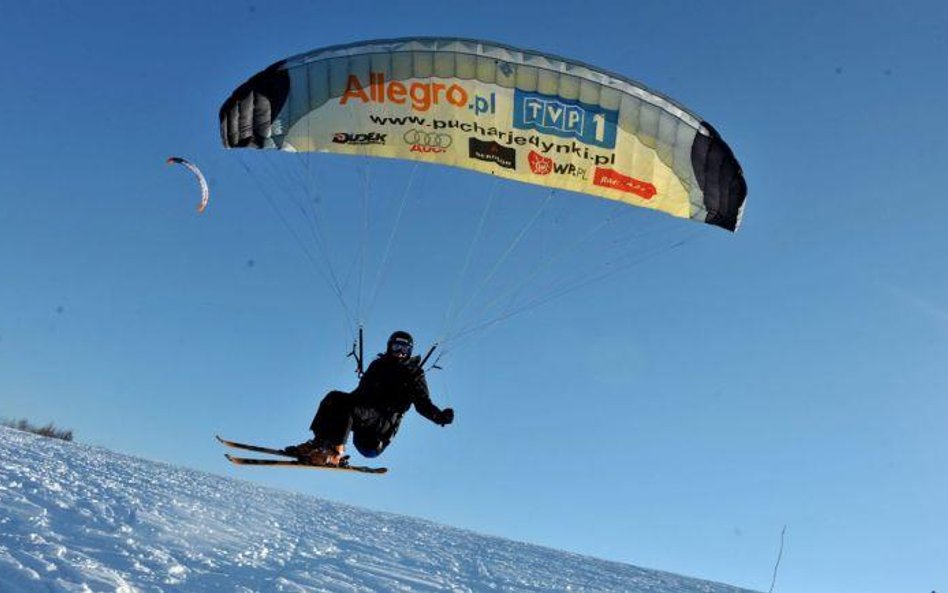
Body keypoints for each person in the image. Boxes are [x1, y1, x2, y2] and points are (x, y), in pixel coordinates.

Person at [285, 331, 454, 466]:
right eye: (397, 347)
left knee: (349, 406)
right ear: (389, 347)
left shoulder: (413, 373)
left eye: (404, 349)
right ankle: (318, 444)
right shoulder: (377, 366)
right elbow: (359, 393)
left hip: (379, 430)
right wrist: (336, 410)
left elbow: (422, 404)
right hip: (364, 417)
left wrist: (439, 417)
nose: (400, 353)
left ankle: (335, 453)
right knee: (334, 397)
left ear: (410, 351)